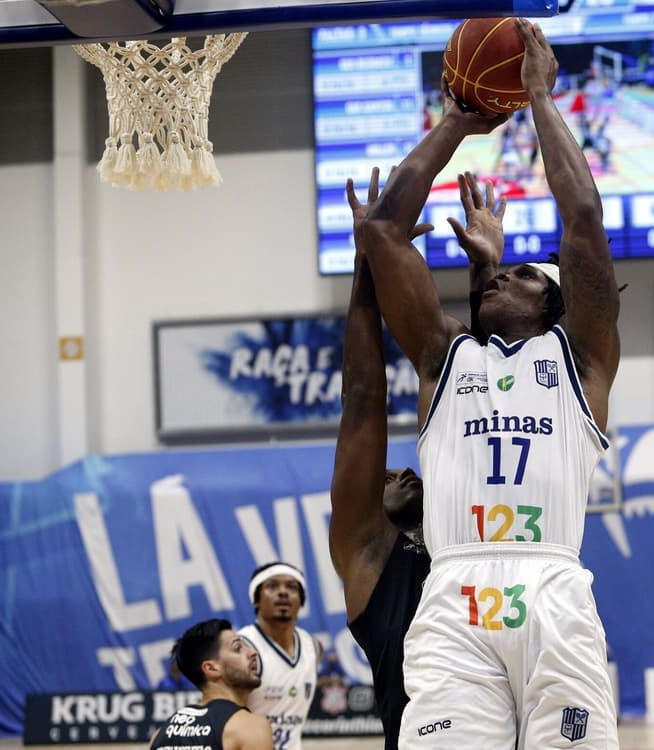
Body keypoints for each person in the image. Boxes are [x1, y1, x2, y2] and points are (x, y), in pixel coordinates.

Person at [356, 18, 621, 749]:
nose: (505, 273)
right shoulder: (446, 358)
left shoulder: (584, 363)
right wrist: (457, 122)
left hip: (552, 595)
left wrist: (538, 97)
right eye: (500, 271)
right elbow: (382, 234)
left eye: (526, 273)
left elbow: (585, 220)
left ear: (559, 305)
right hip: (454, 596)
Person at [329, 167, 504, 749]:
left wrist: (486, 275)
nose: (402, 470)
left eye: (407, 468)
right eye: (386, 477)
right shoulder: (368, 556)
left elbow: (480, 397)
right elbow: (361, 397)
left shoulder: (466, 531)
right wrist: (366, 266)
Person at [149, 618, 273, 750]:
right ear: (211, 668)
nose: (253, 653)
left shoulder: (159, 735)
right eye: (237, 648)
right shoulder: (250, 728)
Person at [237, 562, 321, 750]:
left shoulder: (313, 647)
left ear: (302, 600)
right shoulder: (242, 648)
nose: (283, 592)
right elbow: (225, 722)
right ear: (256, 600)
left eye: (292, 587)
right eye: (272, 586)